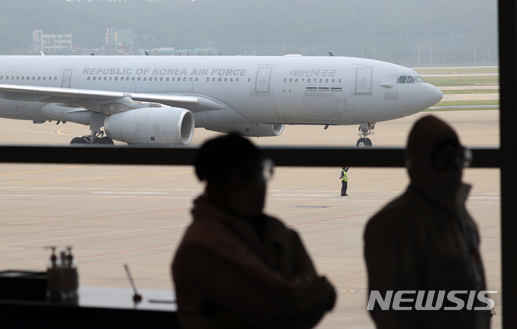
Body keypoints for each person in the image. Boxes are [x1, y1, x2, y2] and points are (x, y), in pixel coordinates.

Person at [172, 133, 336, 328]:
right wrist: (321, 291)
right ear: (216, 184)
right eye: (246, 176)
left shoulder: (269, 228)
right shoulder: (204, 245)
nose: (259, 184)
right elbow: (286, 304)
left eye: (261, 172)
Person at [364, 115, 489, 329]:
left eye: (460, 158)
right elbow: (389, 313)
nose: (457, 168)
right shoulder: (392, 225)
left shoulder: (462, 219)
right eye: (447, 159)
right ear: (421, 163)